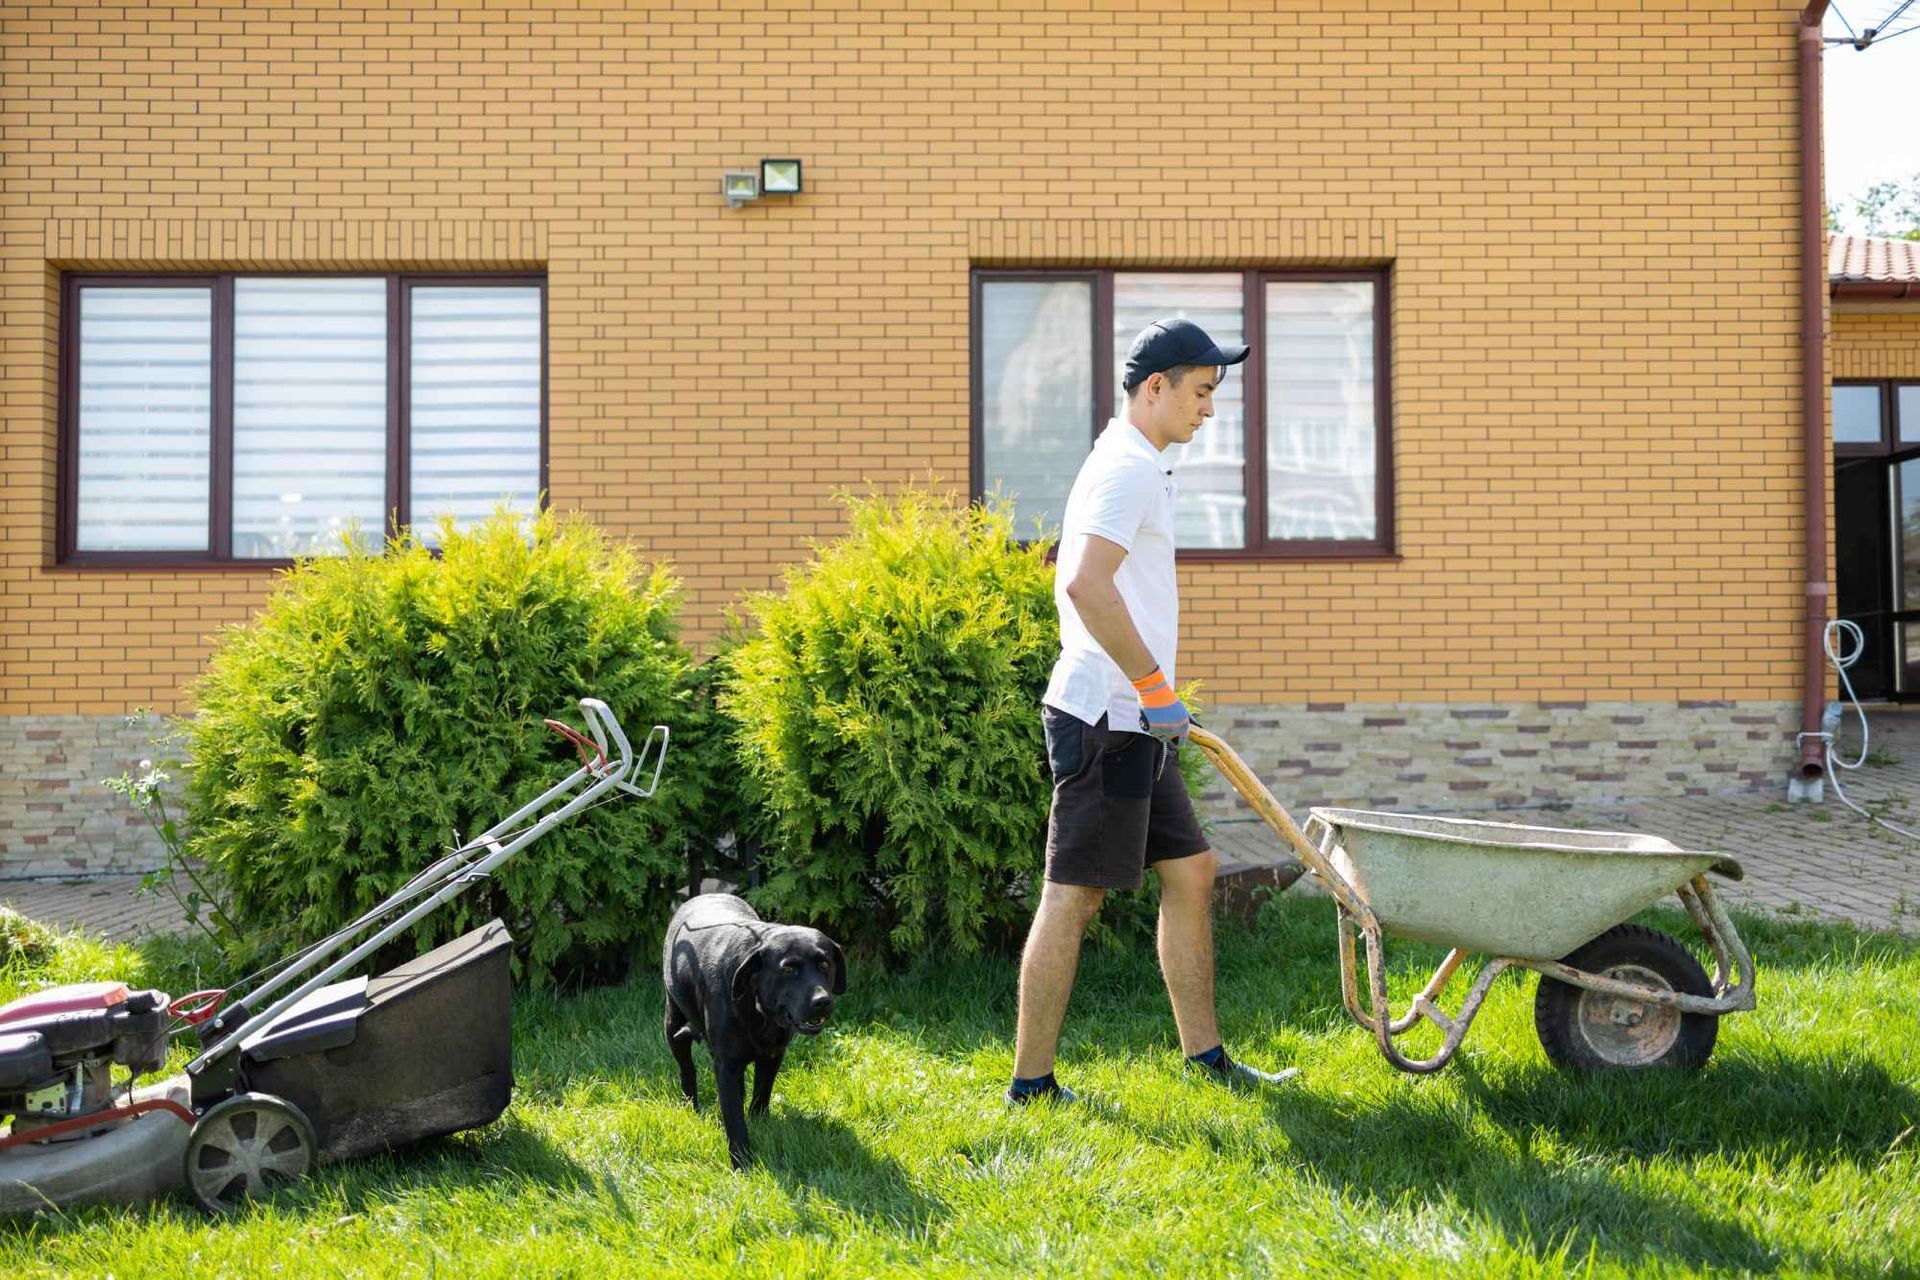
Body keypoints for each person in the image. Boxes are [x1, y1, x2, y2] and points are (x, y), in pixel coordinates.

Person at [1007, 317, 1299, 1105]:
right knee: (1073, 892)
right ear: (1155, 388)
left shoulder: (1135, 462)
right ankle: (1030, 1085)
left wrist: (1150, 698)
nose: (1209, 410)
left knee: (1192, 871)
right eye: (1201, 393)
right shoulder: (1127, 470)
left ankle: (1205, 1060)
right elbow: (1085, 587)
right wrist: (1154, 688)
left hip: (1133, 717)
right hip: (1108, 718)